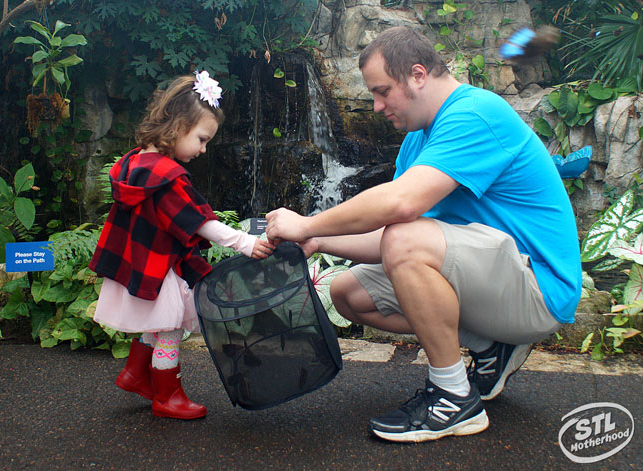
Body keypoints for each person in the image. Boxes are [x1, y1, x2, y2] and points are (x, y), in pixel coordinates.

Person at [265, 26, 581, 443]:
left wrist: (307, 222)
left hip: (538, 289)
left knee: (405, 238)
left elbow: (402, 208)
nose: (376, 107)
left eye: (382, 91)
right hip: (494, 281)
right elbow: (390, 236)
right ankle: (490, 347)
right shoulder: (417, 140)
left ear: (417, 74)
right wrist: (318, 242)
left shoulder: (474, 114)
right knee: (348, 293)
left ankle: (453, 398)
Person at [89, 71, 275, 420]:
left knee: (156, 323)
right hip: (159, 269)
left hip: (143, 262)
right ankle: (167, 396)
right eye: (202, 139)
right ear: (177, 126)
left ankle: (135, 374)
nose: (203, 150)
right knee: (170, 328)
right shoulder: (168, 177)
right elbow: (199, 222)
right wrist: (245, 243)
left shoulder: (134, 162)